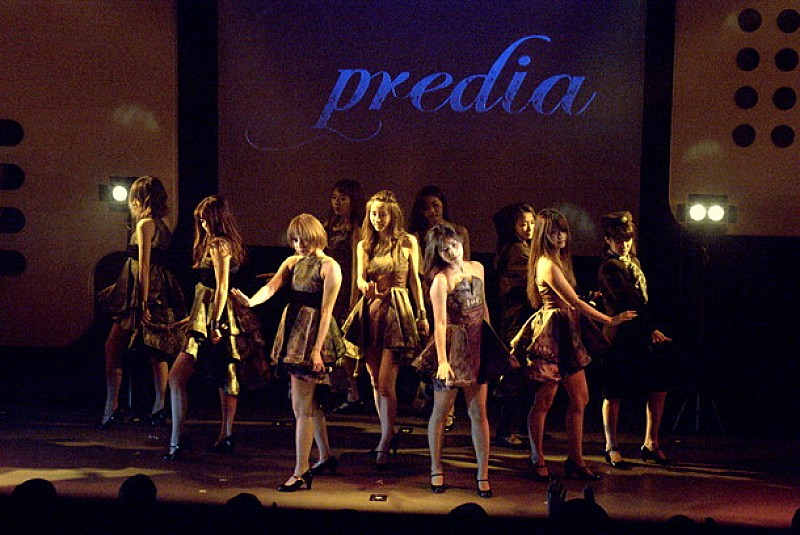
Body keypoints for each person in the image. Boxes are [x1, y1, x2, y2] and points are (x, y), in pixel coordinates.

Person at [511, 209, 636, 481]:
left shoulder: (559, 260)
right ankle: (537, 457)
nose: (560, 236)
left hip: (566, 330)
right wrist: (610, 319)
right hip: (552, 332)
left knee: (580, 398)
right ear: (544, 235)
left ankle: (575, 459)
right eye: (554, 232)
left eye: (563, 231)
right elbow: (574, 302)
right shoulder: (547, 263)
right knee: (545, 399)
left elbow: (575, 301)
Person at [232, 213, 345, 492]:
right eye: (294, 240)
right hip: (294, 331)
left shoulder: (330, 267)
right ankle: (325, 456)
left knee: (301, 407)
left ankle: (301, 470)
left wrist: (316, 350)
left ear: (315, 235)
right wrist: (250, 301)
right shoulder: (292, 262)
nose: (298, 245)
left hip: (312, 336)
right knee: (309, 404)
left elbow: (327, 311)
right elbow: (271, 287)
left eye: (303, 239)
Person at [163, 195, 263, 460]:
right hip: (210, 314)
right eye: (201, 220)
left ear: (217, 219)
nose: (203, 224)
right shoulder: (220, 243)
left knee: (181, 377)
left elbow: (221, 286)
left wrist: (215, 323)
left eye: (207, 219)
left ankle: (180, 440)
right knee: (223, 374)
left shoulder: (219, 244)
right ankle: (222, 435)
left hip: (216, 316)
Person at [414, 224, 509, 499]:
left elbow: (484, 308)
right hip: (453, 345)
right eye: (444, 249)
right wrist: (443, 361)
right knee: (441, 411)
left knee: (478, 411)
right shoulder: (441, 280)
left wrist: (491, 347)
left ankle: (483, 473)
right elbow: (440, 323)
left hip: (478, 343)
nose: (451, 251)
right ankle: (436, 467)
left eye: (454, 245)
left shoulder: (477, 268)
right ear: (438, 253)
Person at [343, 190, 428, 469]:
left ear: (393, 215)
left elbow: (415, 280)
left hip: (397, 311)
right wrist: (363, 286)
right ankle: (387, 432)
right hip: (371, 311)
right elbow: (358, 277)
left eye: (382, 214)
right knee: (374, 380)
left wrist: (422, 314)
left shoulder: (407, 242)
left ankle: (385, 438)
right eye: (373, 213)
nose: (377, 218)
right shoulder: (364, 244)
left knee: (386, 382)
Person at [98, 175, 186, 429]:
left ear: (141, 199)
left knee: (115, 347)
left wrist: (143, 300)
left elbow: (144, 264)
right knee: (155, 350)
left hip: (145, 290)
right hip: (153, 285)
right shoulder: (162, 223)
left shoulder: (145, 224)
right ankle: (158, 407)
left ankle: (113, 407)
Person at [597, 211, 674, 468]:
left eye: (628, 239)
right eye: (619, 240)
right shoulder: (609, 267)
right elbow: (627, 300)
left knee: (658, 386)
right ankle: (611, 446)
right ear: (608, 240)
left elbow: (643, 299)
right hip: (620, 337)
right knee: (614, 393)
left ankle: (651, 443)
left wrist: (650, 328)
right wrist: (650, 329)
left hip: (641, 335)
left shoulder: (634, 262)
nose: (624, 245)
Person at [409, 185, 469, 428]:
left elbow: (466, 265)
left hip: (458, 297)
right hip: (431, 293)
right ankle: (433, 399)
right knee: (433, 348)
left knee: (455, 351)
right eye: (426, 208)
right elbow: (418, 270)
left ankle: (448, 409)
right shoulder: (418, 236)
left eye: (435, 205)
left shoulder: (459, 232)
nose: (432, 211)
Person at [491, 202, 536, 448]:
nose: (529, 228)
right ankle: (505, 431)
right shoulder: (517, 251)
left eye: (532, 223)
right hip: (516, 320)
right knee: (514, 374)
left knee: (522, 375)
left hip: (520, 319)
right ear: (513, 226)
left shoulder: (523, 248)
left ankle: (521, 428)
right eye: (523, 224)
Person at [323, 179, 367, 415]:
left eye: (343, 198)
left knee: (347, 344)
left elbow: (355, 267)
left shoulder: (356, 229)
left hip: (347, 290)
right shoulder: (330, 225)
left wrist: (353, 301)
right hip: (329, 288)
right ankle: (335, 389)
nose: (337, 203)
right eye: (334, 198)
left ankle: (354, 393)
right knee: (328, 340)